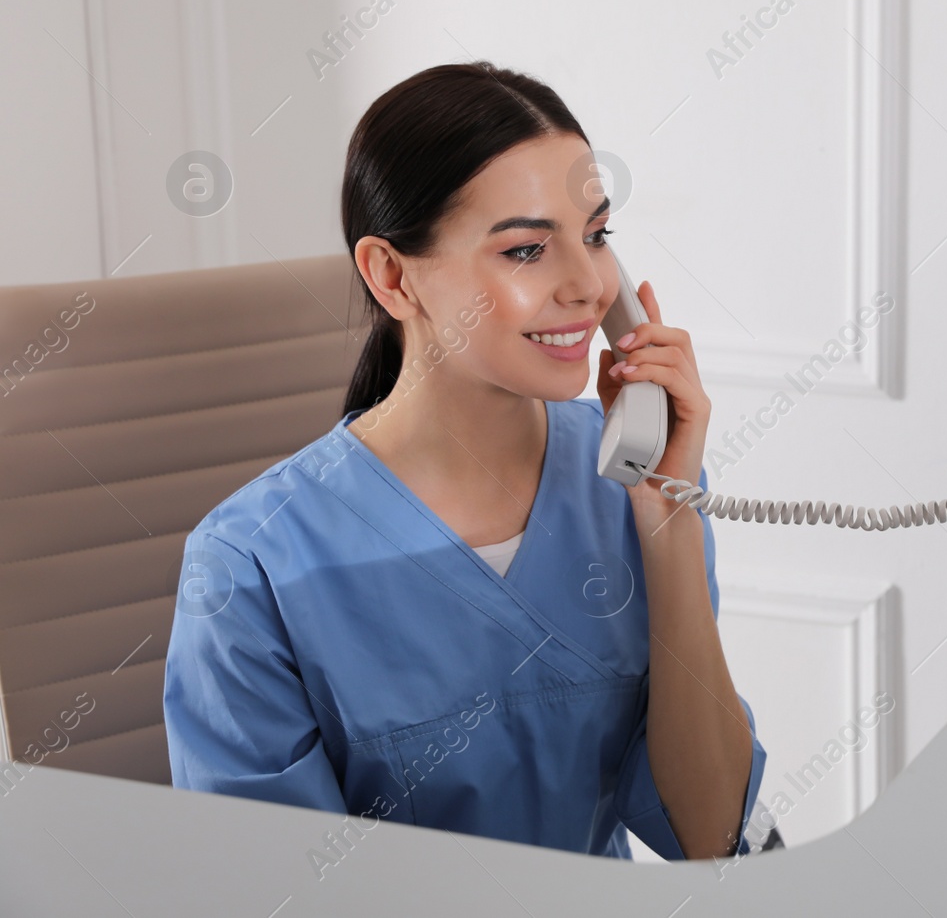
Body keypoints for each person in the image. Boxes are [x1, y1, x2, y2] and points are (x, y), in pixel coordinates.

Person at [163, 61, 765, 861]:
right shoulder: (249, 566)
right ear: (391, 275)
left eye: (596, 235)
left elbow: (713, 839)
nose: (589, 285)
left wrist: (668, 520)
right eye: (525, 251)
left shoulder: (635, 483)